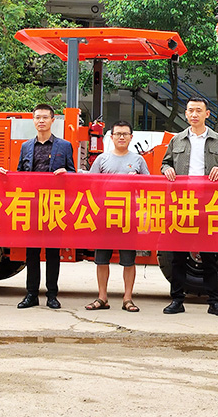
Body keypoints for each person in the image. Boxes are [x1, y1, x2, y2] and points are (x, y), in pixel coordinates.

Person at [160, 97, 218, 317]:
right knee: (178, 256)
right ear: (186, 113)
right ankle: (177, 300)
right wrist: (166, 170)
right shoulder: (177, 140)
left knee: (209, 255)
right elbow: (165, 163)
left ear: (207, 114)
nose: (194, 114)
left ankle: (214, 302)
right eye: (190, 110)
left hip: (208, 204)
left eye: (198, 110)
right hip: (182, 203)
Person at [2, 103, 75, 309]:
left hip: (54, 206)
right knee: (31, 253)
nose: (41, 121)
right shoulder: (26, 146)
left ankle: (52, 295)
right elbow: (20, 174)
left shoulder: (64, 146)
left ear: (53, 120)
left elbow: (73, 173)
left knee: (53, 253)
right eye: (37, 117)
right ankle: (31, 294)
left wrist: (67, 173)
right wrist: (7, 177)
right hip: (32, 206)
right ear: (33, 121)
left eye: (45, 117)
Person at [82, 120, 150, 313]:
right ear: (111, 137)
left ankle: (128, 298)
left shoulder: (138, 160)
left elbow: (150, 186)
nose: (121, 137)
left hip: (129, 217)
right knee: (101, 259)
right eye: (118, 134)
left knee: (129, 260)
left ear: (131, 137)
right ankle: (102, 297)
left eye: (125, 134)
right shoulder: (102, 159)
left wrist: (138, 181)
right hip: (105, 216)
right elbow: (91, 184)